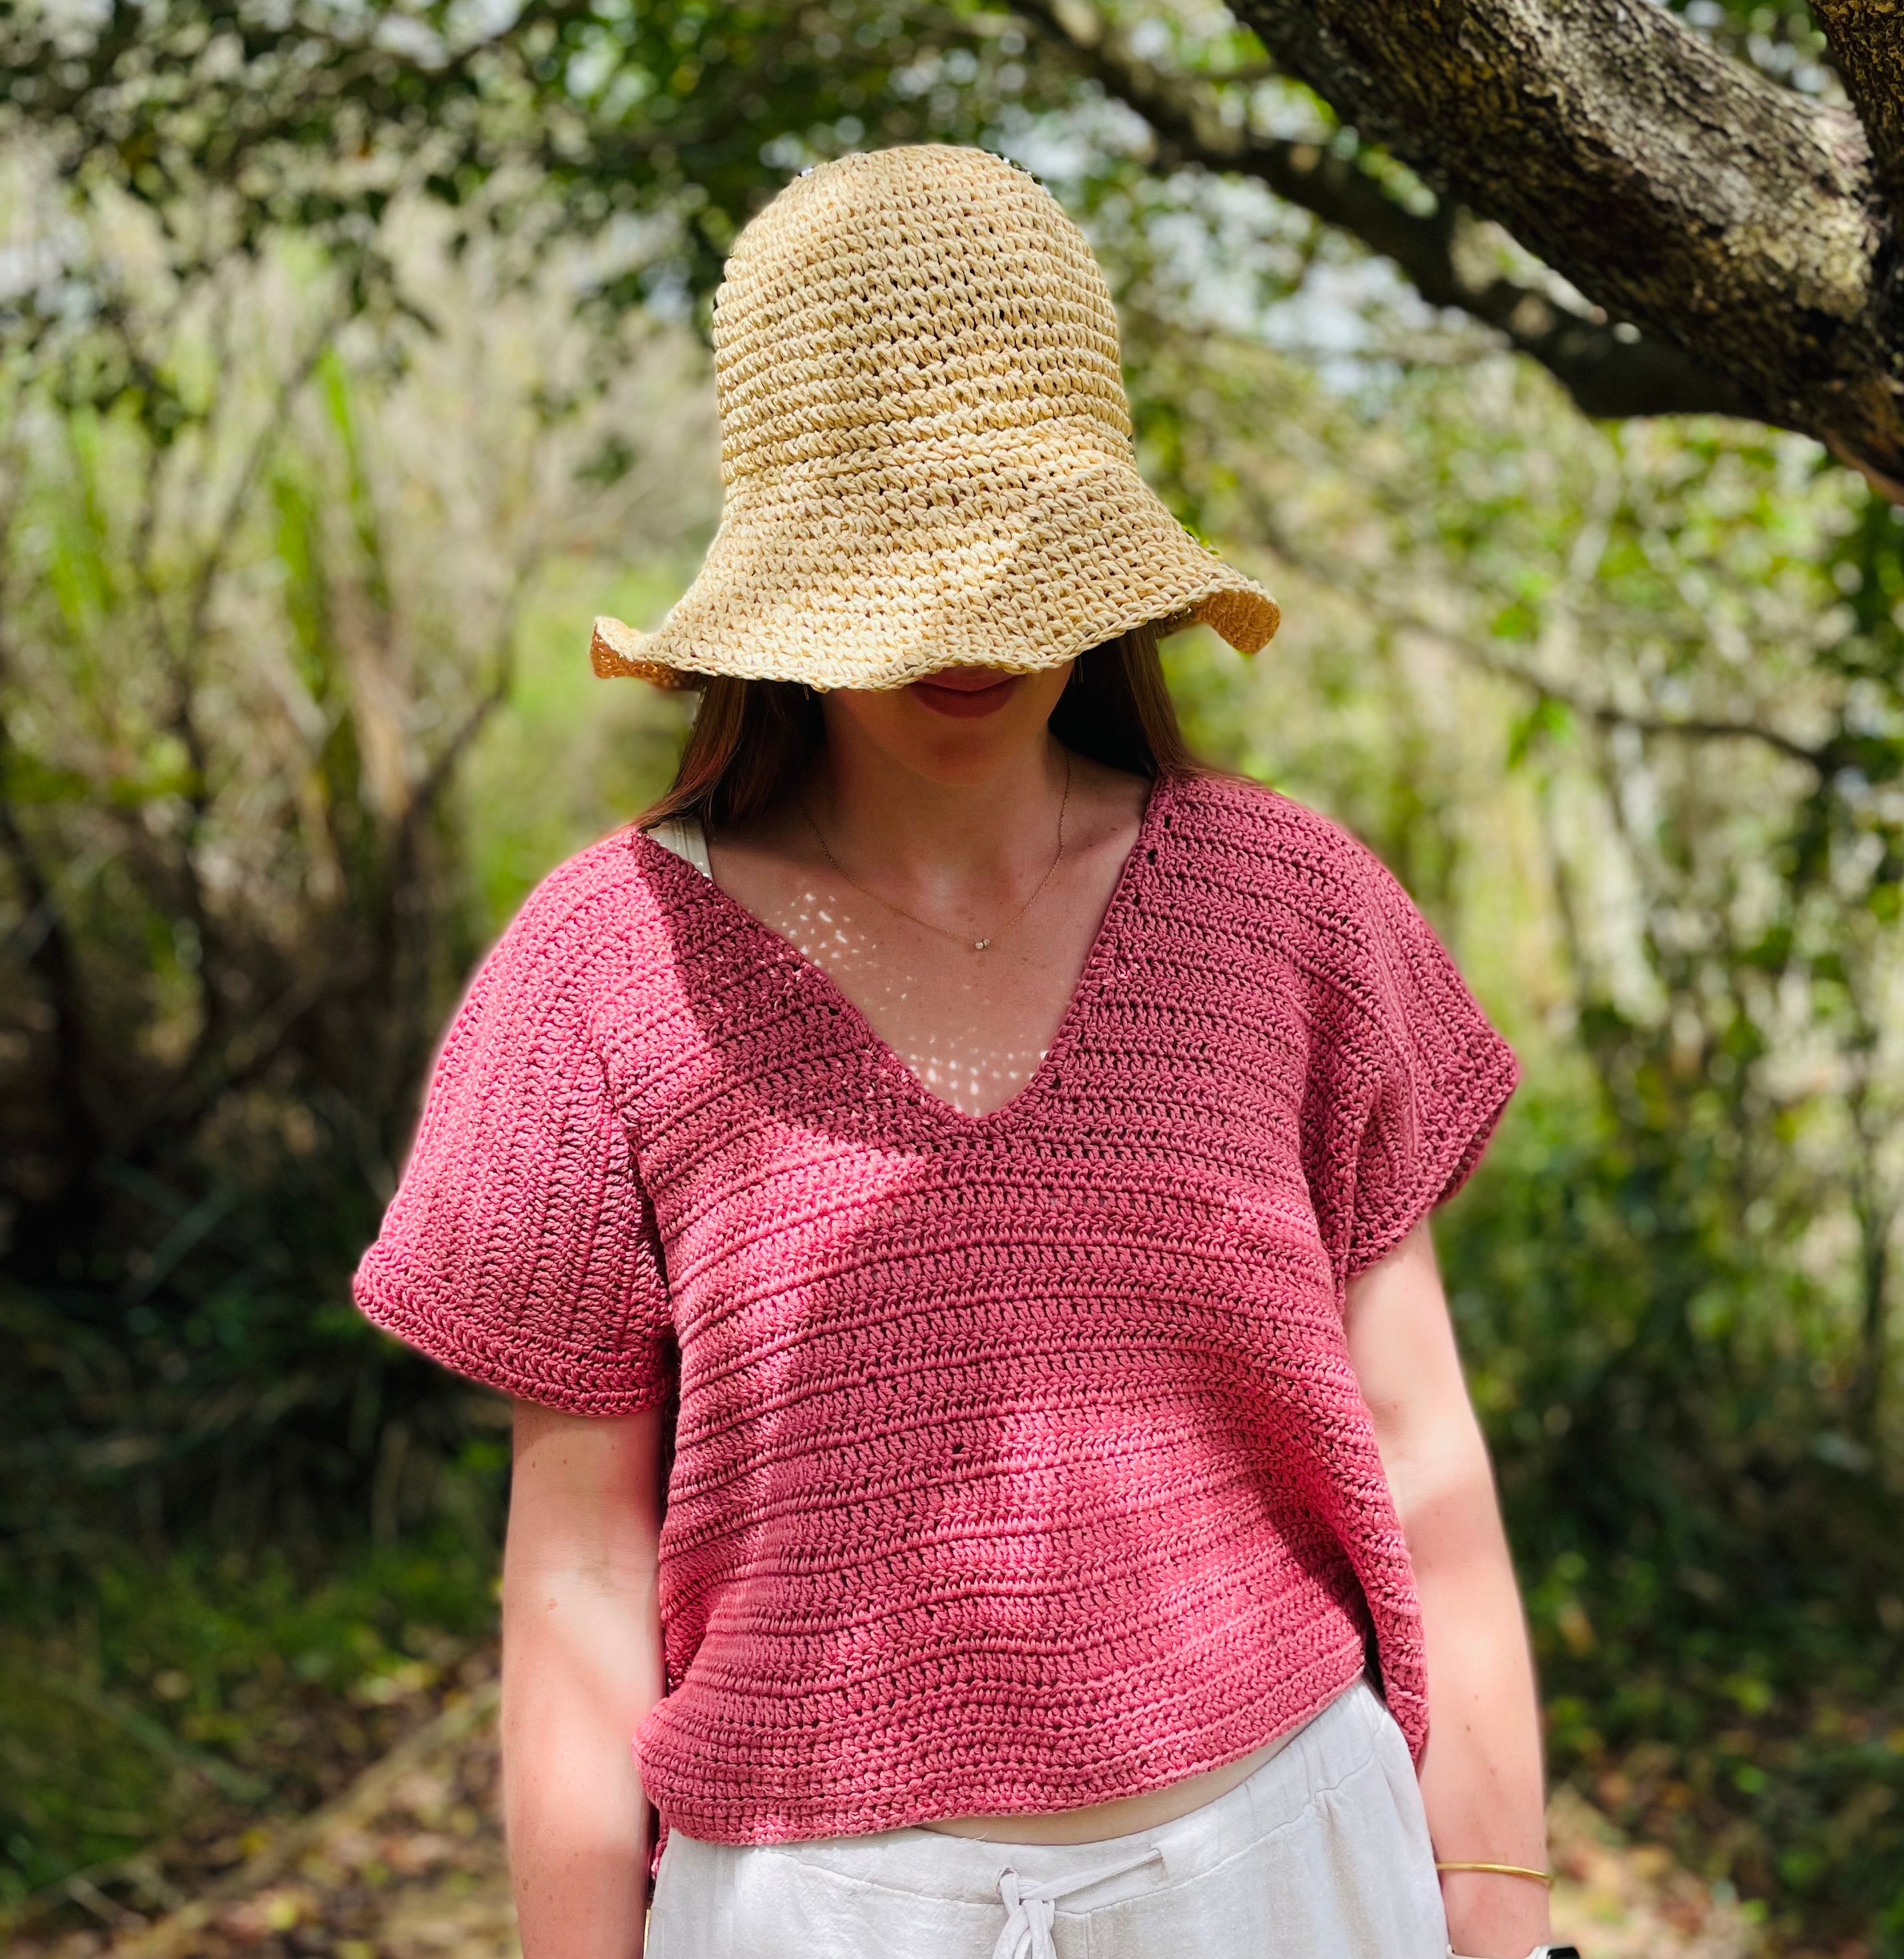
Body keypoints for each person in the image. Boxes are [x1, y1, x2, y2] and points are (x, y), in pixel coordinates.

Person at [352, 144, 1578, 1959]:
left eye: (1019, 570)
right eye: (907, 579)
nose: (975, 640)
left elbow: (1423, 1462)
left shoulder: (1287, 911)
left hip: (1292, 1873)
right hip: (810, 1908)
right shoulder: (605, 975)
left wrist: (1501, 1909)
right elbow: (584, 1570)